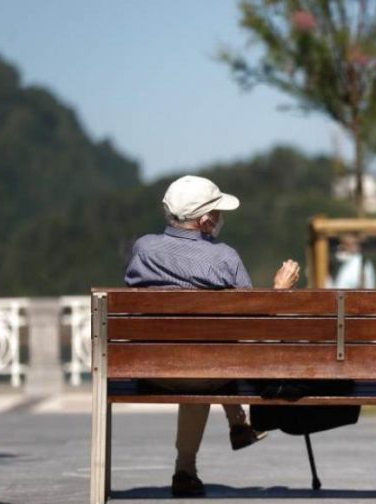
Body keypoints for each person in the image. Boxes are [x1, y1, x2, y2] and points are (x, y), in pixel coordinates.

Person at [124, 175, 301, 497]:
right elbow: (254, 326)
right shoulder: (224, 258)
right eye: (218, 212)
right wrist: (280, 291)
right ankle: (229, 432)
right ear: (205, 221)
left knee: (196, 355)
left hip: (149, 368)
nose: (221, 218)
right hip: (205, 372)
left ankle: (197, 462)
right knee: (206, 359)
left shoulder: (143, 248)